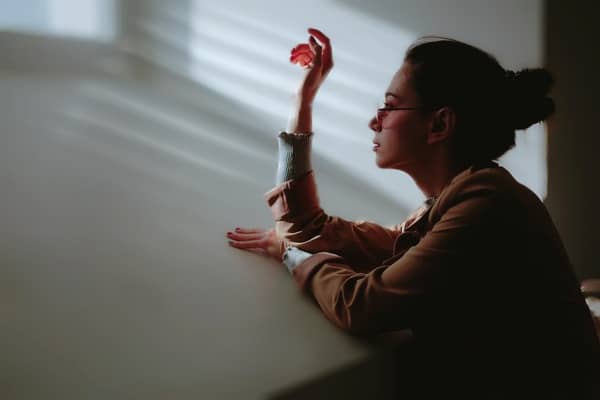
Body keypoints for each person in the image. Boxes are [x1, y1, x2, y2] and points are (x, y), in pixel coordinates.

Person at [225, 28, 600, 397]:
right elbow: (309, 226)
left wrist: (293, 257)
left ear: (439, 124)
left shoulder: (487, 204)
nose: (375, 121)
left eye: (389, 106)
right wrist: (303, 100)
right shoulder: (452, 203)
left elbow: (363, 306)